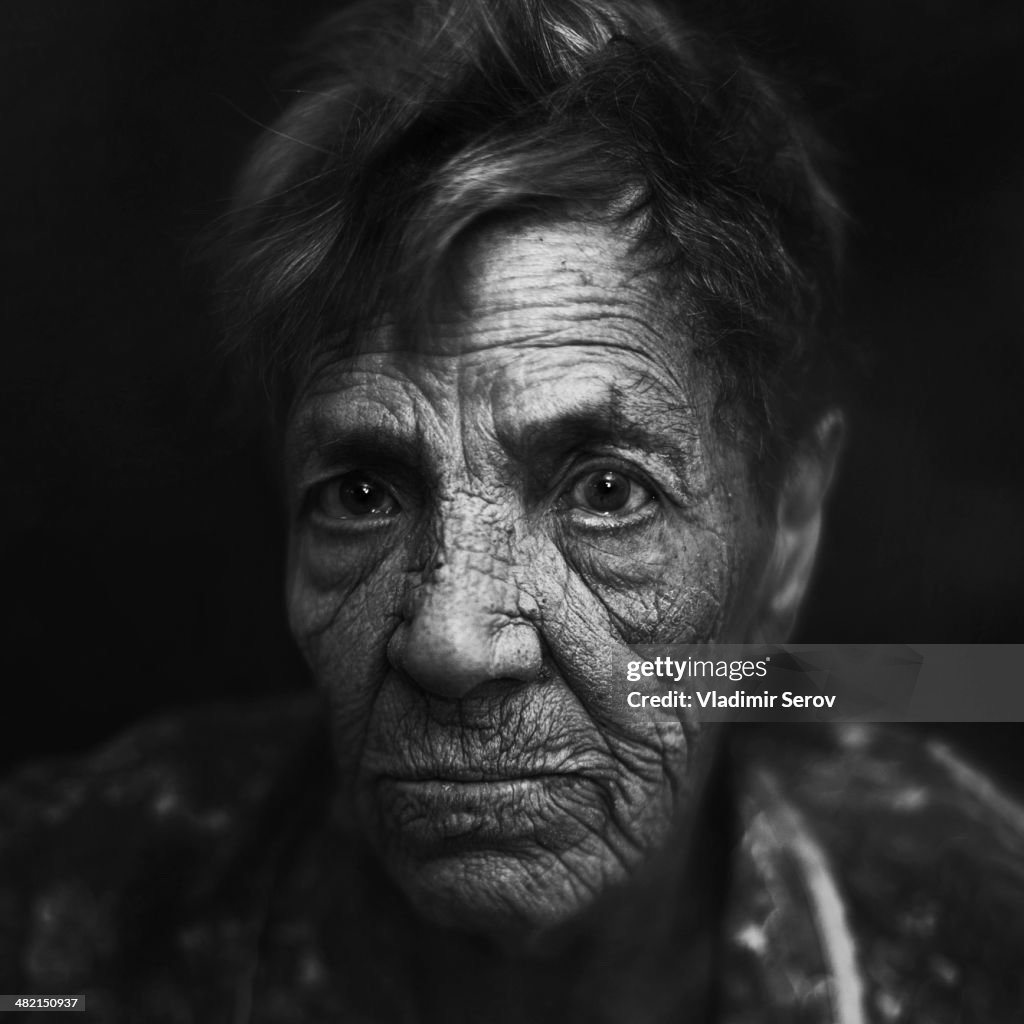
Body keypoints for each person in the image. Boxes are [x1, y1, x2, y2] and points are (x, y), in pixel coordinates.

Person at [1, 0, 1022, 1020]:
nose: (449, 641)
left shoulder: (976, 921)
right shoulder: (52, 907)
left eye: (607, 493)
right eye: (363, 495)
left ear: (787, 530)